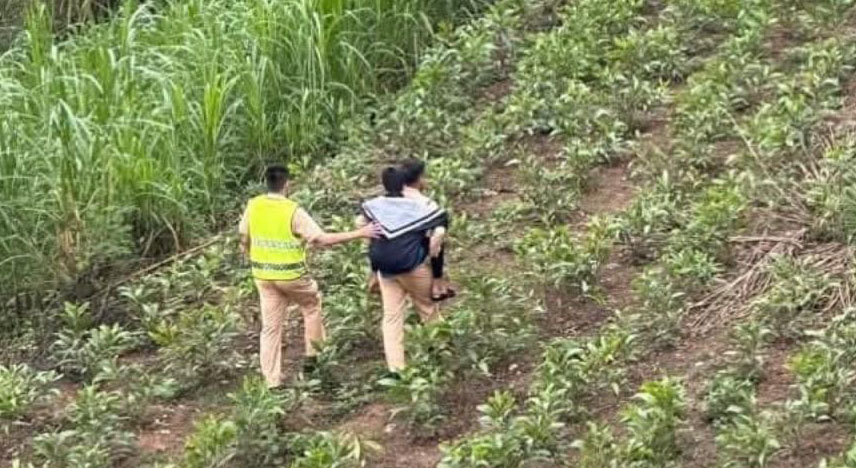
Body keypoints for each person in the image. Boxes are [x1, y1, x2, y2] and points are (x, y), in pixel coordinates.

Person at [239, 164, 379, 389]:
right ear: (287, 184)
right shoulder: (292, 211)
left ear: (266, 183)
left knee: (271, 328)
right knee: (311, 306)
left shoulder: (253, 206)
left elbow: (244, 238)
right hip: (291, 275)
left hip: (263, 275)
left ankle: (271, 381)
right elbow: (320, 239)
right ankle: (313, 360)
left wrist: (252, 257)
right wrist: (360, 233)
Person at [359, 167, 448, 374]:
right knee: (427, 309)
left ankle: (396, 369)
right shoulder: (419, 208)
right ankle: (441, 353)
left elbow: (372, 238)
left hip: (385, 271)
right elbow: (436, 243)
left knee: (391, 317)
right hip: (412, 268)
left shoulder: (374, 207)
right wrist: (437, 276)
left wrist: (373, 271)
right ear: (405, 185)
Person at [399, 159, 455, 301]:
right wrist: (431, 252)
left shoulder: (387, 200)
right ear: (419, 179)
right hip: (413, 262)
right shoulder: (427, 205)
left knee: (392, 315)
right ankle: (437, 285)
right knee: (428, 310)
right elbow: (439, 234)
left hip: (386, 265)